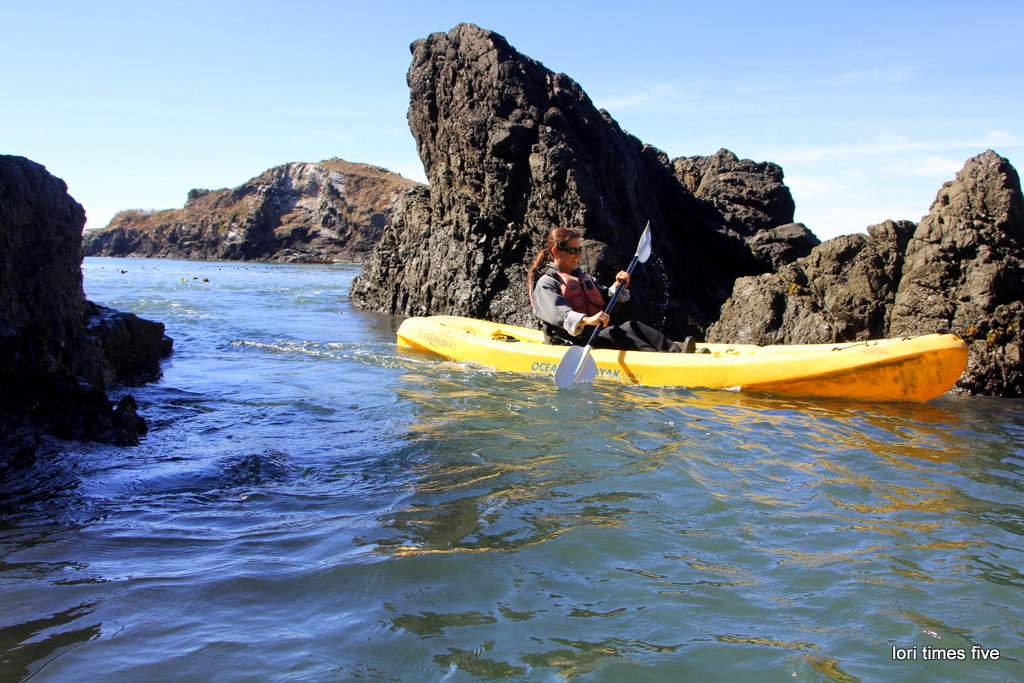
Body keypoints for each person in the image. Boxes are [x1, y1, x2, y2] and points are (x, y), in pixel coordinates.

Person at [527, 227, 691, 353]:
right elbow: (558, 313)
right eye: (573, 250)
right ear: (555, 251)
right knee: (613, 332)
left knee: (632, 326)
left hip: (594, 333)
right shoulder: (546, 283)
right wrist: (587, 320)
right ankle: (660, 360)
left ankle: (676, 352)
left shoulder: (583, 278)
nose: (578, 255)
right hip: (570, 342)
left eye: (579, 249)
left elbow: (605, 300)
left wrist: (618, 287)